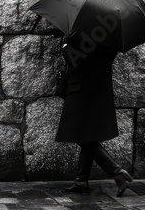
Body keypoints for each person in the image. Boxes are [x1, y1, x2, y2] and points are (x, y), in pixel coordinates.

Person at [55, 36, 133, 197]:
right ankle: (81, 181)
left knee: (79, 135)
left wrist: (65, 44)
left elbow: (73, 60)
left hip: (80, 91)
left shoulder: (82, 34)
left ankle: (116, 171)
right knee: (87, 136)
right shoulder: (110, 37)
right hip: (97, 91)